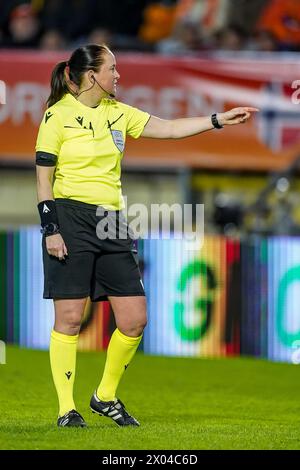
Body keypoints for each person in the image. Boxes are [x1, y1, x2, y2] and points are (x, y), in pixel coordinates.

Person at [35, 43, 258, 428]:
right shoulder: (57, 116)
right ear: (92, 76)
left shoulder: (119, 113)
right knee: (70, 317)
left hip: (113, 220)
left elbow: (169, 129)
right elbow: (43, 178)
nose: (118, 76)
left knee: (135, 319)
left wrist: (218, 119)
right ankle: (66, 410)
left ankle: (104, 396)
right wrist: (51, 229)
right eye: (113, 69)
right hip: (70, 217)